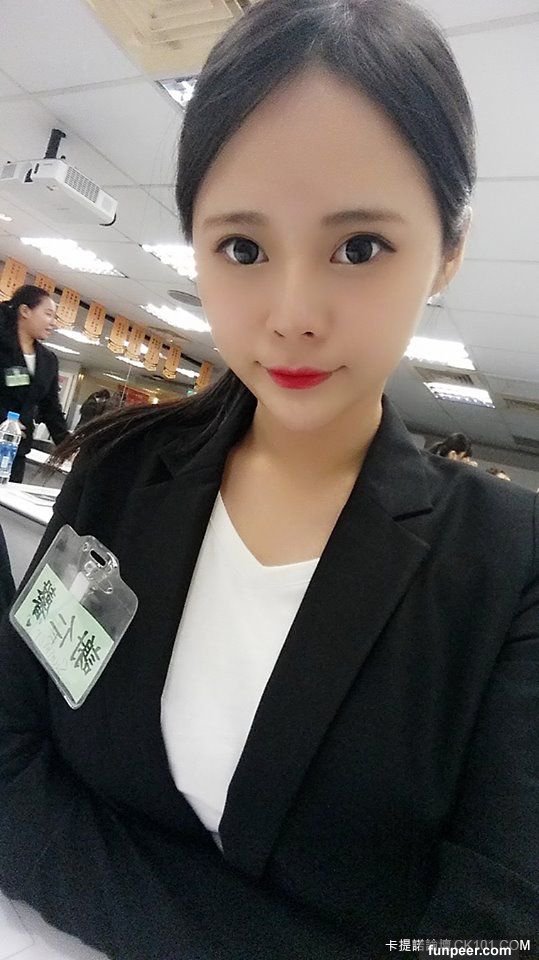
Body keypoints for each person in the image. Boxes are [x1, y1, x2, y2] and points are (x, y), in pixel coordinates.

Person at [0, 1, 537, 958]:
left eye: (359, 247)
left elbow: (490, 935)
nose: (291, 315)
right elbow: (8, 763)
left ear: (448, 250)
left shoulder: (509, 568)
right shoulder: (119, 475)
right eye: (242, 249)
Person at [0, 284, 69, 482]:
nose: (53, 323)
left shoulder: (48, 360)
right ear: (25, 311)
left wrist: (68, 445)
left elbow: (51, 408)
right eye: (48, 314)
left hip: (15, 452)